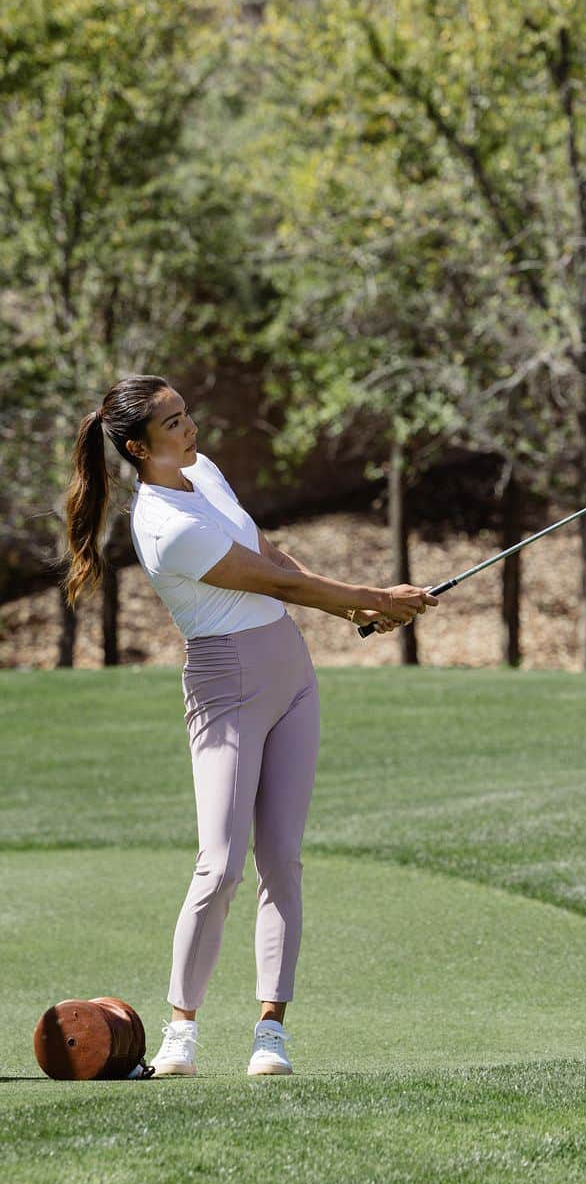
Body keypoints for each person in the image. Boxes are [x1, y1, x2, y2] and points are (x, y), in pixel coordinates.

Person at [63, 374, 438, 1078]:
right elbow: (271, 583)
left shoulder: (204, 473)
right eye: (174, 423)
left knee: (282, 860)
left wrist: (358, 609)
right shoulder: (161, 526)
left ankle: (271, 1031)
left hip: (290, 671)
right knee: (221, 863)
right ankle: (181, 1031)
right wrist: (367, 597)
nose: (191, 428)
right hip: (227, 683)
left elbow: (272, 556)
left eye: (187, 414)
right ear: (139, 447)